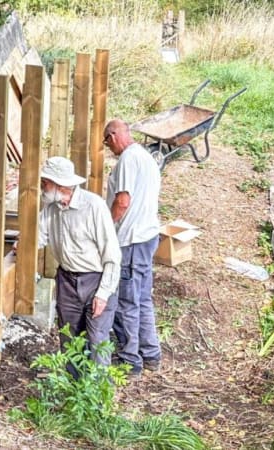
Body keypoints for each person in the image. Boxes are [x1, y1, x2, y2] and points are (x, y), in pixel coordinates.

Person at [37, 156, 122, 371]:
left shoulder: (94, 207)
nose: (42, 187)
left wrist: (103, 294)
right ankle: (73, 390)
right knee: (70, 339)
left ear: (60, 185)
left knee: (97, 342)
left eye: (45, 183)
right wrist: (21, 245)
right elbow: (38, 236)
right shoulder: (51, 209)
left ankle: (99, 398)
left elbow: (112, 256)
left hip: (96, 280)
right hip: (67, 280)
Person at [104, 119, 163, 377]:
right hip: (148, 236)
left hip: (131, 239)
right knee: (142, 298)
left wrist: (105, 227)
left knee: (126, 302)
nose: (108, 147)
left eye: (107, 141)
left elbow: (123, 200)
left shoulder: (128, 158)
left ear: (114, 135)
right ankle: (151, 354)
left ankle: (130, 360)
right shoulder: (147, 157)